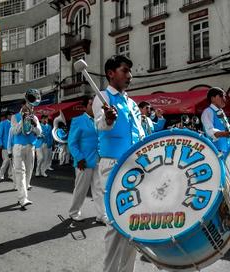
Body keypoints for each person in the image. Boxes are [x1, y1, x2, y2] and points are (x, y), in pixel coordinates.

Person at [92, 55, 145, 272]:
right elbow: (100, 124)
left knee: (133, 222)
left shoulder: (131, 103)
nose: (129, 76)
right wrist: (108, 119)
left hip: (135, 164)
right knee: (116, 222)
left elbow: (139, 132)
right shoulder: (103, 97)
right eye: (125, 70)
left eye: (130, 71)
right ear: (111, 73)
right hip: (113, 165)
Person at [68, 96, 105, 222]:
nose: (94, 106)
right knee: (81, 190)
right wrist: (79, 158)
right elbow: (72, 143)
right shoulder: (78, 120)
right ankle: (73, 212)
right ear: (85, 107)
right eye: (91, 104)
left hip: (98, 160)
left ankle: (101, 215)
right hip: (83, 162)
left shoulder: (100, 120)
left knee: (99, 189)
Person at [11, 97, 42, 208]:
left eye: (33, 106)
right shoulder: (15, 117)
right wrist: (22, 120)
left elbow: (39, 133)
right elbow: (15, 131)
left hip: (31, 146)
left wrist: (34, 124)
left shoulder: (35, 118)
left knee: (29, 171)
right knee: (20, 172)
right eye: (30, 105)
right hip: (19, 146)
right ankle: (23, 198)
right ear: (23, 105)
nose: (32, 108)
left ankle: (23, 196)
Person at [201, 87, 230, 153]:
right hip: (217, 152)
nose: (224, 99)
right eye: (221, 96)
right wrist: (223, 134)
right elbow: (209, 131)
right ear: (213, 98)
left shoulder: (221, 111)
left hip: (227, 150)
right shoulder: (208, 111)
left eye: (224, 96)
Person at [0, 111, 13, 181]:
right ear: (8, 116)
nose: (12, 117)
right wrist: (0, 144)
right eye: (11, 115)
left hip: (13, 145)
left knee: (12, 162)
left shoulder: (14, 123)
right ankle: (1, 174)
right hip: (5, 145)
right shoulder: (2, 123)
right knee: (6, 160)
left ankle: (10, 175)